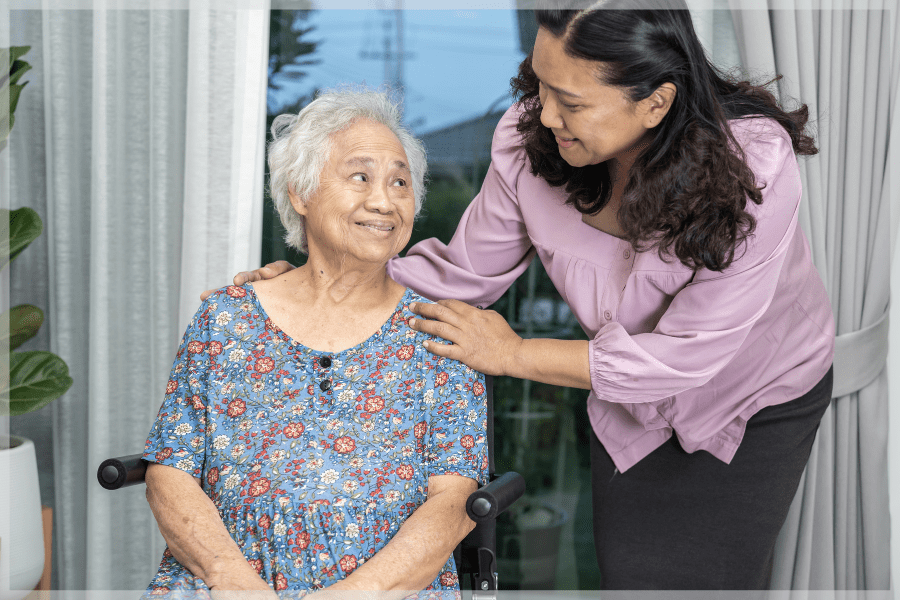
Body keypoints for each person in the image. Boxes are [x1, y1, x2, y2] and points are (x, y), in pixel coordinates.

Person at [224, 0, 835, 591]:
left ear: (655, 102)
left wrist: (513, 354)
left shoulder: (751, 165)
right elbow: (461, 275)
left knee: (701, 582)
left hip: (753, 393)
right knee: (628, 573)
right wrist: (319, 282)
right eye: (542, 86)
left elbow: (685, 358)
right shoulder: (530, 142)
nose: (545, 115)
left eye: (570, 102)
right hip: (622, 393)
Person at [143, 89, 488, 598]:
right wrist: (232, 580)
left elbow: (453, 502)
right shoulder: (227, 318)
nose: (384, 201)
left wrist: (356, 593)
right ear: (299, 193)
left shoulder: (440, 333)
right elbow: (169, 472)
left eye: (400, 181)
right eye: (360, 177)